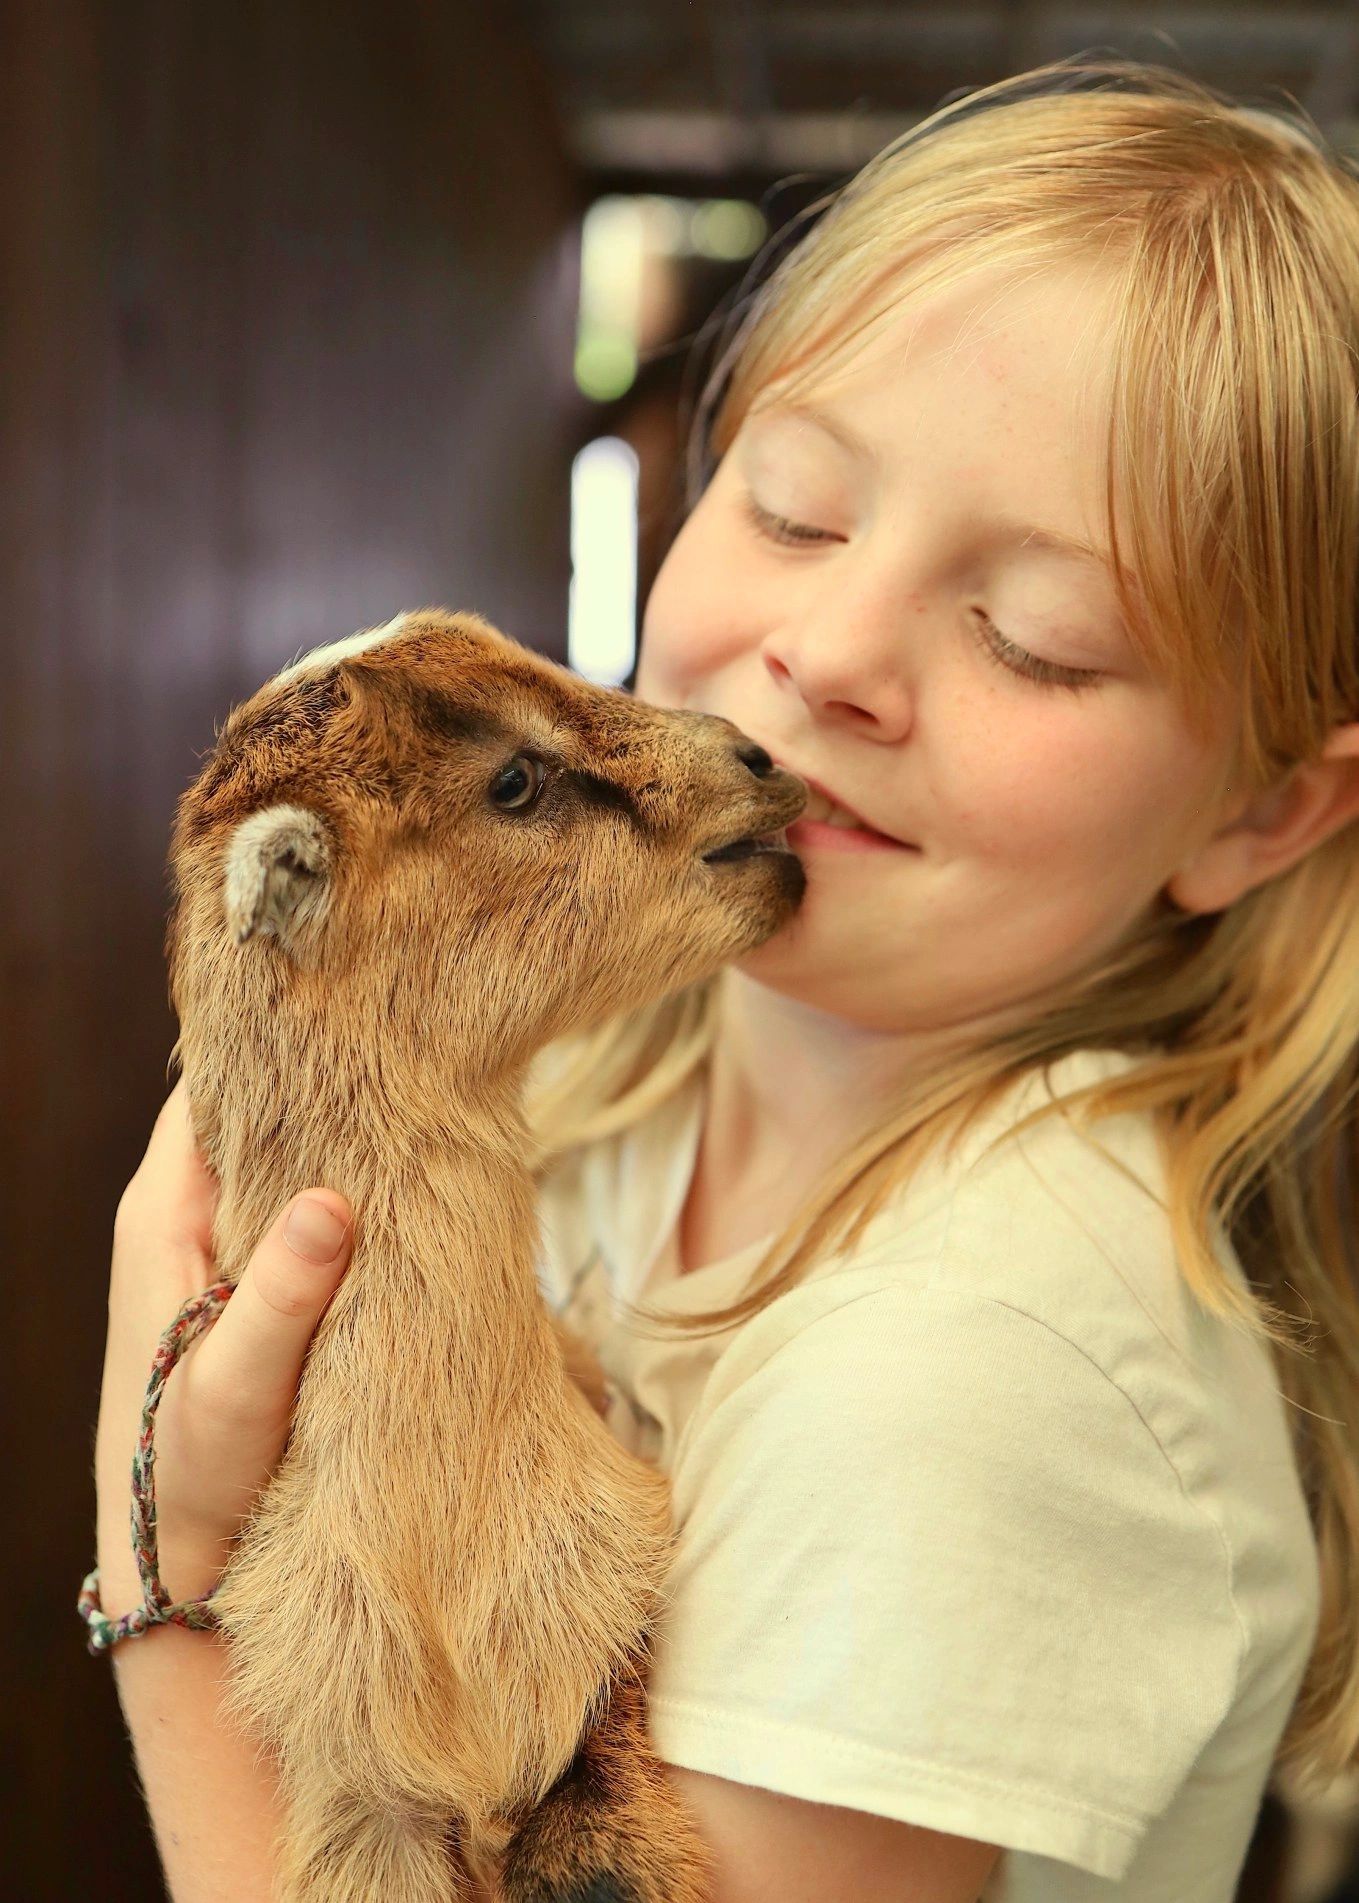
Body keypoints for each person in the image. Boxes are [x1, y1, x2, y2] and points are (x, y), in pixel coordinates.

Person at [92, 57, 1359, 1903]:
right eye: (791, 509)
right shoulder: (602, 1096)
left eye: (1038, 637)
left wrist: (162, 1576)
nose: (831, 651)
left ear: (1258, 813)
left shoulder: (977, 1373)